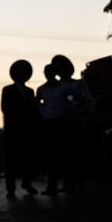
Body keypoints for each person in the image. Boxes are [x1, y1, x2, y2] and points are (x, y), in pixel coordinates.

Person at [1, 60, 41, 198]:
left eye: (24, 72)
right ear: (15, 74)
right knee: (11, 161)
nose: (22, 74)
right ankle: (10, 189)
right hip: (13, 131)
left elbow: (35, 110)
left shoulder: (30, 91)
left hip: (27, 131)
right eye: (19, 72)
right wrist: (22, 110)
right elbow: (5, 108)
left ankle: (27, 183)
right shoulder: (7, 90)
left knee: (29, 159)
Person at [52, 55, 88, 193]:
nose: (59, 70)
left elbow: (84, 100)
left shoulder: (77, 84)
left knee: (78, 152)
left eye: (60, 66)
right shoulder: (55, 87)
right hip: (61, 122)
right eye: (56, 68)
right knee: (64, 153)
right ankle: (68, 182)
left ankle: (79, 181)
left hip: (76, 120)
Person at [36, 64, 67, 195]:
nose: (47, 73)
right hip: (48, 124)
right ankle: (52, 185)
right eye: (46, 71)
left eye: (50, 71)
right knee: (50, 157)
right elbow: (37, 104)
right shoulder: (41, 89)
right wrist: (44, 114)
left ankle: (68, 183)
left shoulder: (64, 87)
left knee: (65, 155)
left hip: (62, 122)